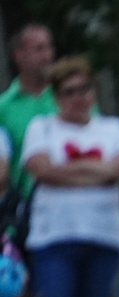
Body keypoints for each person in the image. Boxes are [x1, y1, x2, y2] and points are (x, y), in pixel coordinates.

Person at [22, 57, 119, 297]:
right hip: (54, 238)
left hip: (104, 235)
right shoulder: (42, 128)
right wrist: (101, 173)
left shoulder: (113, 129)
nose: (79, 97)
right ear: (57, 97)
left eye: (84, 89)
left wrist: (69, 172)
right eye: (69, 91)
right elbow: (42, 170)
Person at [0, 24, 55, 197]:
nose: (47, 56)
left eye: (49, 48)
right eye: (39, 49)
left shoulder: (70, 98)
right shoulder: (4, 108)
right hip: (26, 205)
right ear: (19, 56)